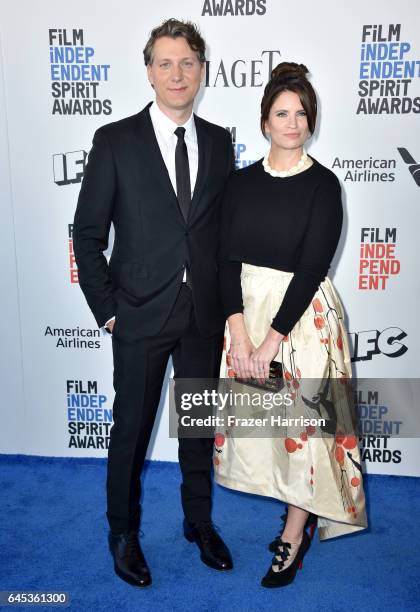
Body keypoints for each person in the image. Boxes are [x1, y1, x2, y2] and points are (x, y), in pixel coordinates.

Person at [73, 18, 234, 587]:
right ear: (148, 72)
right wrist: (109, 309)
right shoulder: (114, 140)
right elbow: (86, 234)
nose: (177, 73)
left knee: (195, 428)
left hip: (202, 318)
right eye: (165, 63)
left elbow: (218, 234)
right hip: (138, 315)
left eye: (187, 62)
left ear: (201, 71)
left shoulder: (217, 141)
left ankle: (198, 522)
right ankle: (122, 530)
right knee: (131, 430)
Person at [214, 62, 368, 588]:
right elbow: (223, 260)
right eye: (282, 113)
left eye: (302, 113)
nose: (292, 123)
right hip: (247, 317)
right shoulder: (238, 184)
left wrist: (271, 340)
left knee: (307, 429)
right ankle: (292, 517)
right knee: (271, 432)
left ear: (312, 121)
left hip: (302, 322)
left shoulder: (325, 186)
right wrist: (239, 334)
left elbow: (311, 269)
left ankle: (295, 535)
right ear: (265, 122)